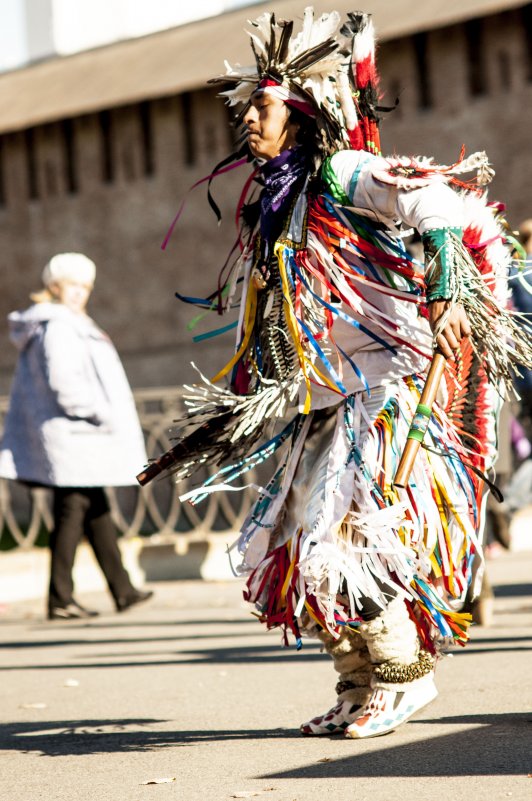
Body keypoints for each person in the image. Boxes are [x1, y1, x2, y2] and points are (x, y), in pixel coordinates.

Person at [144, 9, 532, 738]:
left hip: (378, 396)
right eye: (250, 105)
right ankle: (358, 683)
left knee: (343, 541)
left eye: (262, 104)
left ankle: (404, 676)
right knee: (292, 543)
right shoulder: (284, 202)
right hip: (323, 399)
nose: (248, 119)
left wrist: (448, 289)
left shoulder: (342, 170)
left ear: (303, 110)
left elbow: (439, 201)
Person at [0, 252, 153, 619]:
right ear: (54, 286)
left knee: (94, 506)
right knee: (73, 509)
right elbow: (64, 384)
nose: (80, 293)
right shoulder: (60, 326)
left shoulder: (65, 322)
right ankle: (60, 598)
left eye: (86, 286)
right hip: (75, 433)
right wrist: (100, 412)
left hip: (77, 436)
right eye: (73, 285)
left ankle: (122, 589)